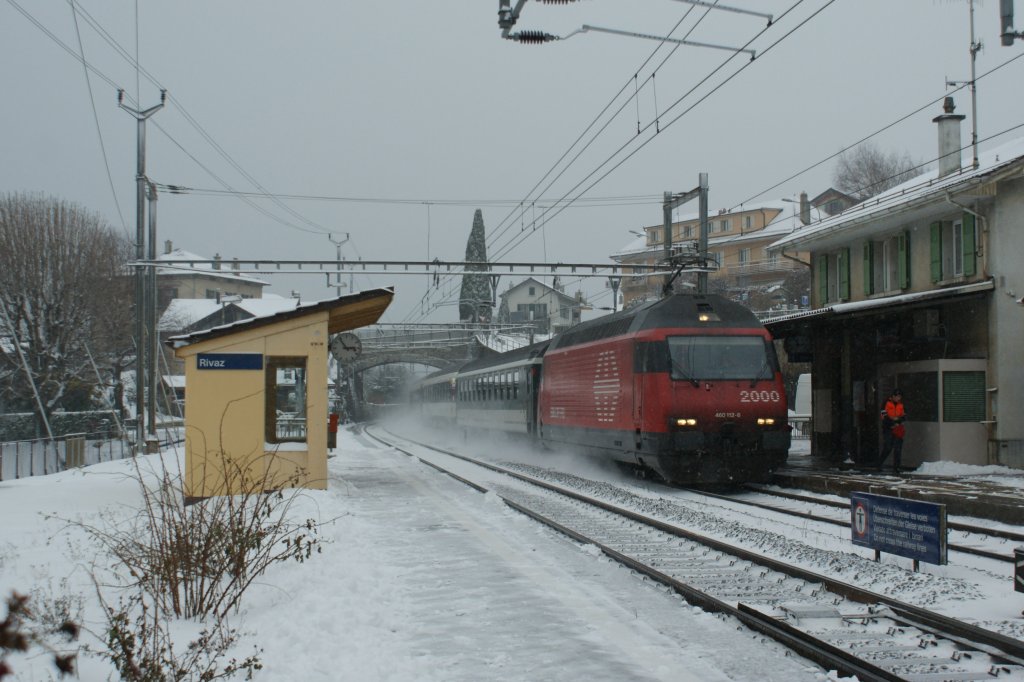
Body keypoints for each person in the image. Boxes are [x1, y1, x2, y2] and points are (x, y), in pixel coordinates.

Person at [879, 388, 906, 472]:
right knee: (888, 447)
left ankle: (896, 467)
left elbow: (904, 415)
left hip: (897, 428)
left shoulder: (901, 405)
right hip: (888, 428)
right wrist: (892, 423)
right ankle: (879, 463)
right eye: (897, 396)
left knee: (898, 448)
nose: (898, 398)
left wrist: (898, 421)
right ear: (893, 396)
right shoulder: (886, 403)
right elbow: (884, 415)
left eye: (899, 397)